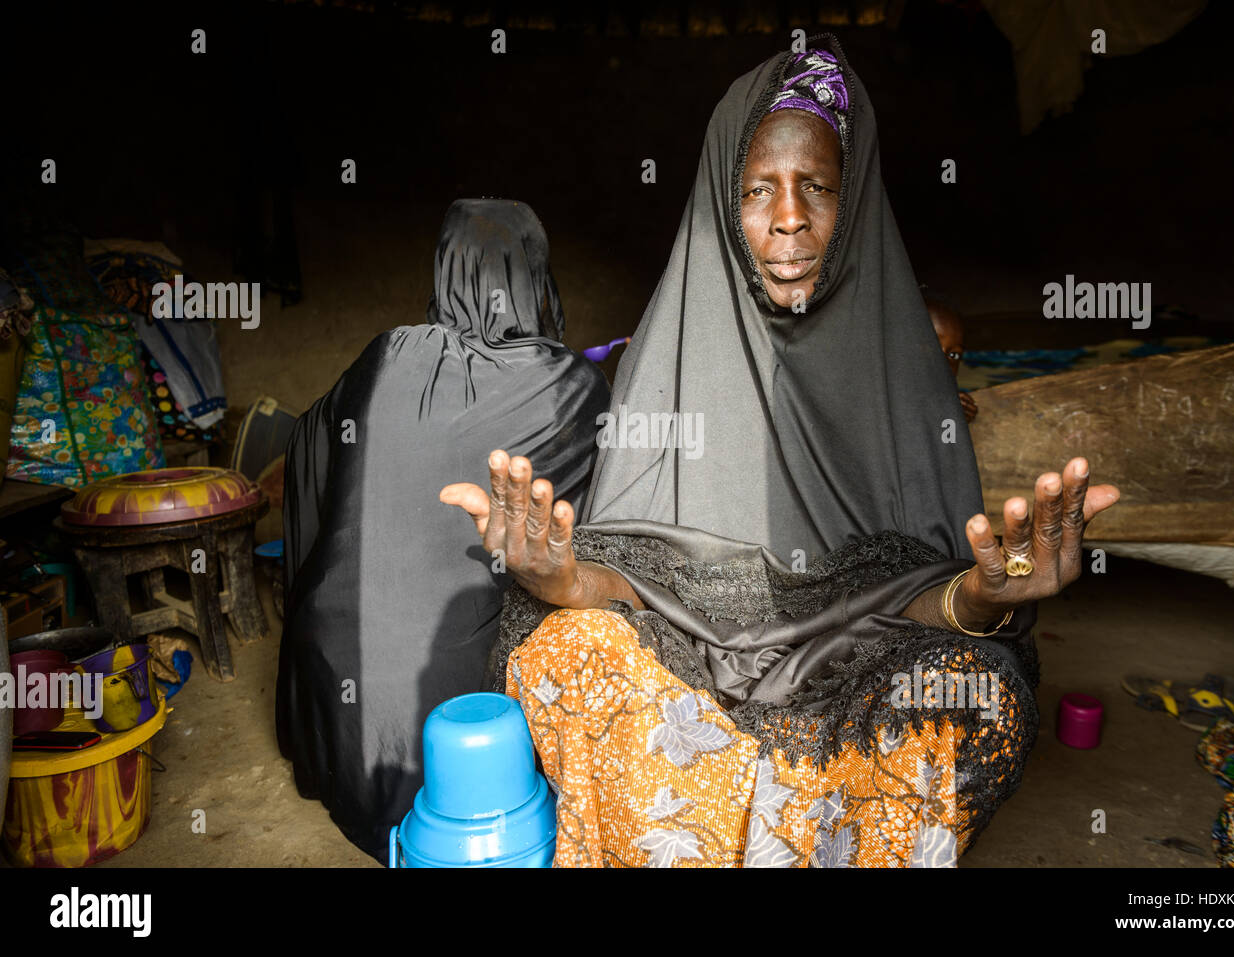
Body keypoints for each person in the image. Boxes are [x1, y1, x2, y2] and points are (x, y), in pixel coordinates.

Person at [443, 41, 1120, 868]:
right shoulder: (670, 355)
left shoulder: (909, 370)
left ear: (856, 198)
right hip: (687, 665)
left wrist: (981, 597)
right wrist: (561, 579)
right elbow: (636, 582)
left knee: (970, 692)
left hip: (858, 674)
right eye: (759, 189)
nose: (790, 217)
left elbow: (919, 605)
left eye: (818, 188)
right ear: (724, 203)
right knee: (563, 650)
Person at [277, 199, 610, 862]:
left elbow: (307, 437)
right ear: (535, 276)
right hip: (463, 757)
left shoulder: (388, 354)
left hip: (344, 734)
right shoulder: (572, 386)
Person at [922, 288, 979, 422]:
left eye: (953, 355)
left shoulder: (949, 403)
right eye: (931, 347)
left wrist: (955, 422)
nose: (942, 364)